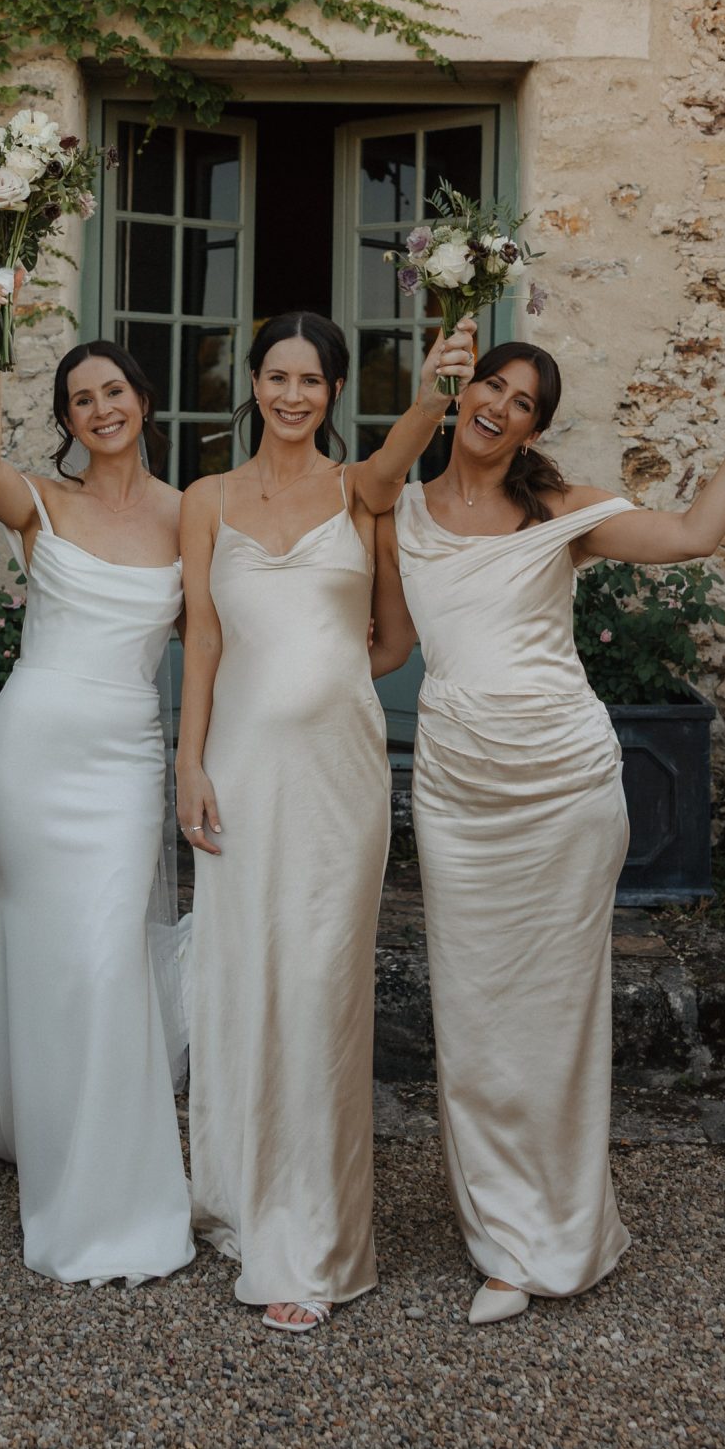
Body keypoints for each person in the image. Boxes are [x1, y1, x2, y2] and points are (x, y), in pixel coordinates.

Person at [372, 338, 725, 1326]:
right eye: (492, 384)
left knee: (554, 1014)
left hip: (563, 785)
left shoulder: (560, 512)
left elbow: (696, 534)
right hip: (459, 791)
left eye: (522, 401)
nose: (499, 406)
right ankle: (504, 1236)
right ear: (462, 390)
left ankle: (557, 1236)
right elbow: (388, 647)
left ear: (533, 427)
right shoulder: (396, 513)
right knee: (474, 1016)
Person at [176, 308, 477, 1334]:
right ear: (253, 383)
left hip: (338, 780)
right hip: (237, 773)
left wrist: (442, 377)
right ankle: (239, 1193)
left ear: (336, 391)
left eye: (311, 380)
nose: (292, 395)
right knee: (242, 979)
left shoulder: (364, 494)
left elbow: (391, 640)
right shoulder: (206, 499)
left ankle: (315, 1240)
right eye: (277, 376)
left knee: (318, 987)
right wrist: (189, 762)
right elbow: (202, 640)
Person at [0, 267, 193, 1286]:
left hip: (126, 756)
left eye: (114, 392)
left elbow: (221, 633)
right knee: (46, 948)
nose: (100, 409)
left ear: (142, 401)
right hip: (29, 752)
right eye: (81, 399)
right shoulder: (42, 504)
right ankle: (44, 1132)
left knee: (106, 957)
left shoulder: (190, 515)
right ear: (65, 420)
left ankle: (106, 1188)